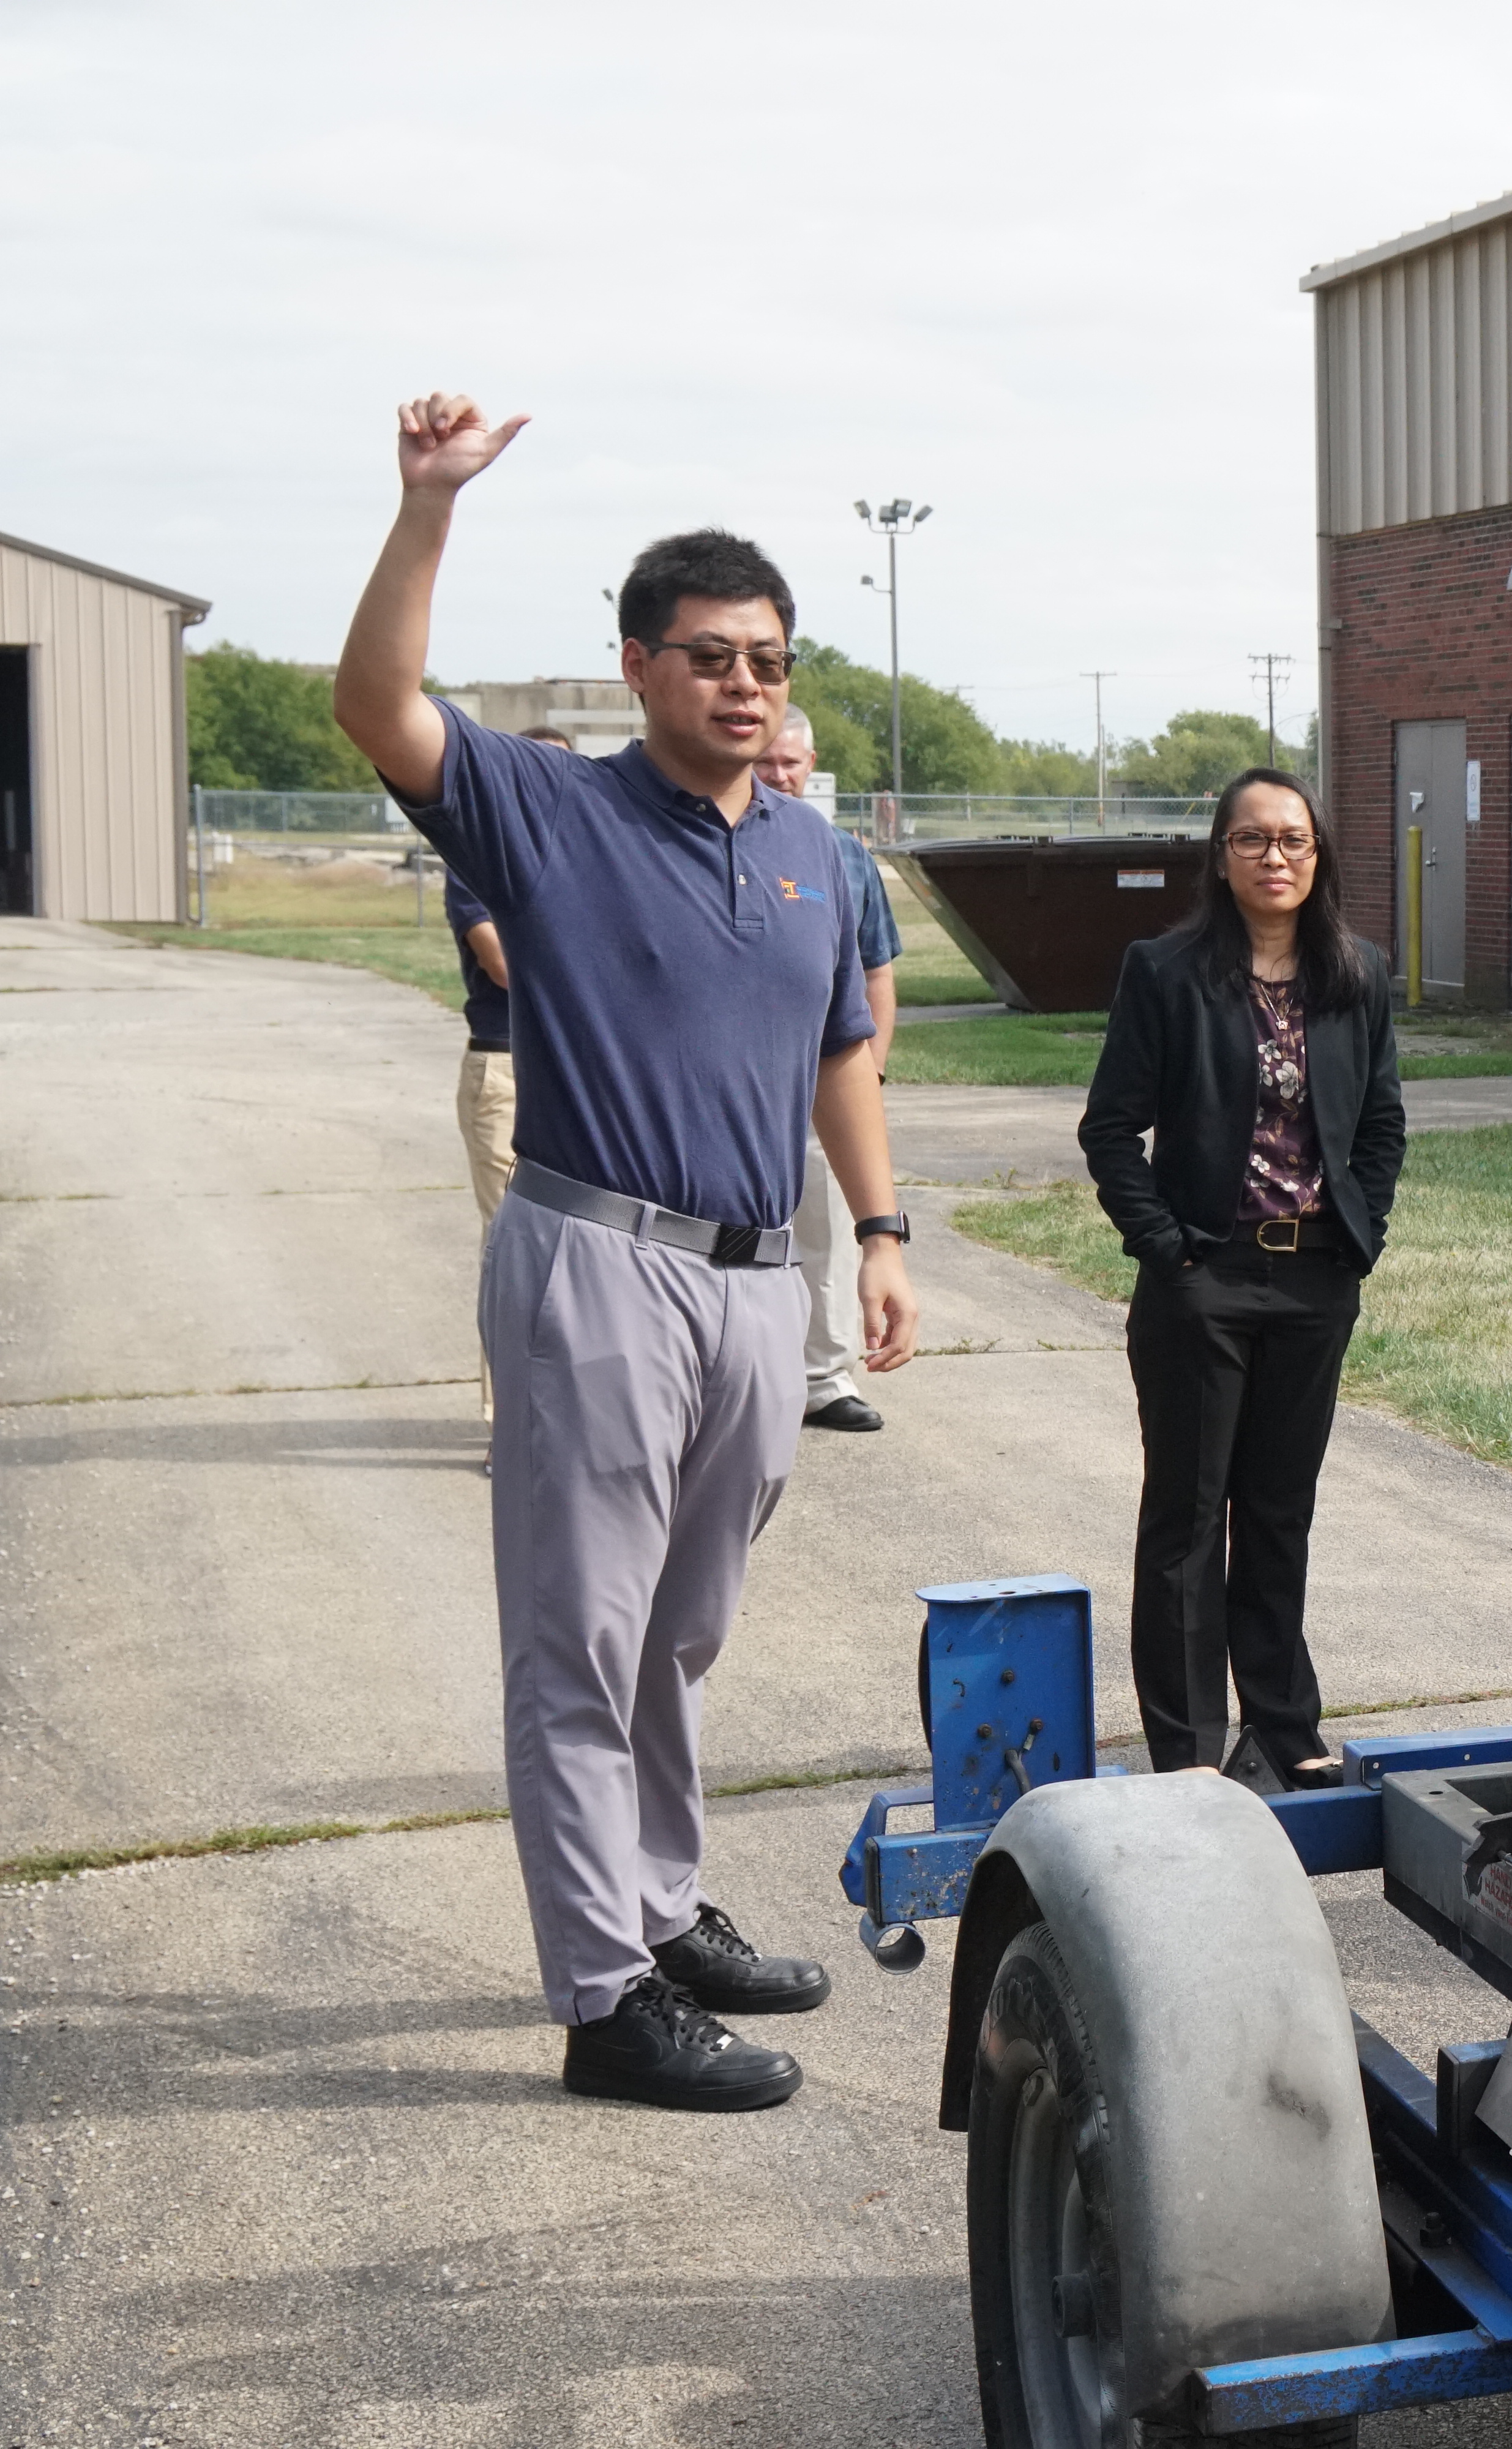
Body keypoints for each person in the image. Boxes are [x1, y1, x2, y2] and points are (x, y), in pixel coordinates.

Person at [332, 391, 919, 2114]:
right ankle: (604, 1995)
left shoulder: (812, 852)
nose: (746, 684)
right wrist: (429, 506)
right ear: (641, 666)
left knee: (683, 1629)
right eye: (711, 655)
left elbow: (838, 1058)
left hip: (758, 1281)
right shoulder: (548, 814)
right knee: (581, 1638)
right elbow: (376, 704)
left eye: (768, 660)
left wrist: (877, 1236)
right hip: (600, 1259)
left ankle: (660, 1910)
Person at [1080, 768, 1408, 1787]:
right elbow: (1110, 1130)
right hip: (1204, 1283)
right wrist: (1167, 1247)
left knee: (1279, 1508)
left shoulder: (1358, 973)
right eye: (1255, 841)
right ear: (1220, 857)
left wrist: (1365, 1228)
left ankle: (1281, 1723)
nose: (1278, 858)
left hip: (1315, 1282)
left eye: (1296, 842)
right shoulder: (1167, 971)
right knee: (1188, 1516)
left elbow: (1384, 1123)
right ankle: (1186, 1747)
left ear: (1321, 859)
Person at [759, 707, 900, 1433]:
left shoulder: (842, 856)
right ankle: (747, 1378)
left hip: (823, 1085)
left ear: (811, 764)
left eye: (792, 763)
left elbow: (877, 972)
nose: (779, 775)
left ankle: (822, 1378)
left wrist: (866, 1075)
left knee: (825, 1236)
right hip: (745, 1089)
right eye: (768, 762)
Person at [440, 724, 566, 1427]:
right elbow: (502, 964)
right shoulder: (477, 859)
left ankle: (567, 1411)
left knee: (587, 1250)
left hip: (578, 1065)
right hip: (507, 1064)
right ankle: (510, 1421)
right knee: (514, 1247)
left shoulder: (595, 856)